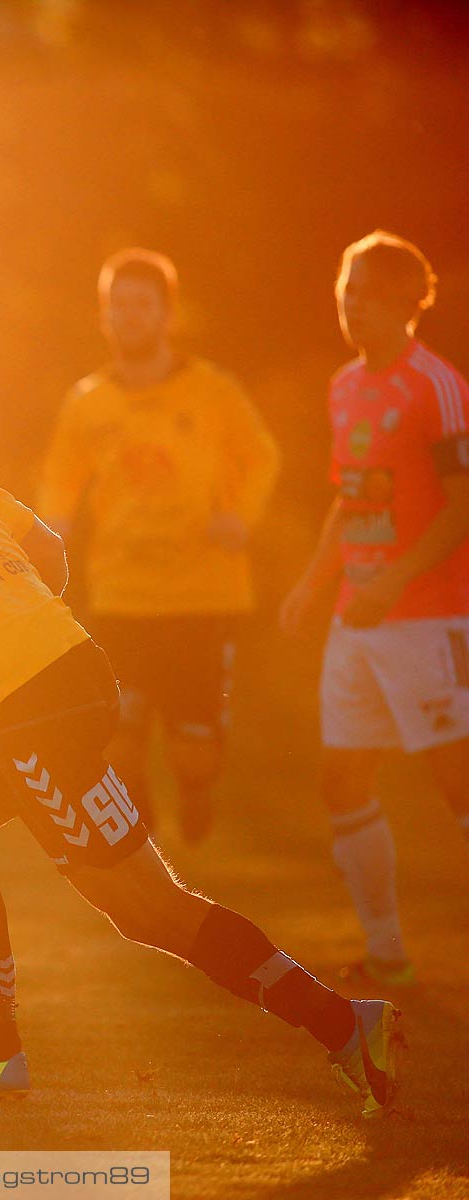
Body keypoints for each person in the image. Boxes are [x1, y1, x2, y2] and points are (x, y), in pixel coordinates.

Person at [0, 403, 398, 1116]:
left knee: (148, 910)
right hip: (74, 674)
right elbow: (50, 550)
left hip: (28, 716)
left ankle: (346, 1026)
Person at [39, 248, 281, 842]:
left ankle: (196, 789)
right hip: (121, 592)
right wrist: (52, 533)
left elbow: (262, 458)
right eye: (118, 306)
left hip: (202, 595)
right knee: (117, 737)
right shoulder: (87, 401)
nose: (129, 316)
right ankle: (138, 831)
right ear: (104, 316)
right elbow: (59, 481)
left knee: (192, 751)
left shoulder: (211, 392)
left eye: (142, 305)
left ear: (167, 314)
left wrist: (240, 518)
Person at [280, 231, 469, 989]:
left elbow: (461, 508)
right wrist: (313, 581)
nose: (348, 303)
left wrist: (395, 581)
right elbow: (348, 497)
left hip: (425, 619)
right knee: (341, 780)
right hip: (355, 624)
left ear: (400, 301)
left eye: (363, 292)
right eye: (344, 289)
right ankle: (387, 948)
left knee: (456, 783)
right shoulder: (344, 386)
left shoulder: (437, 384)